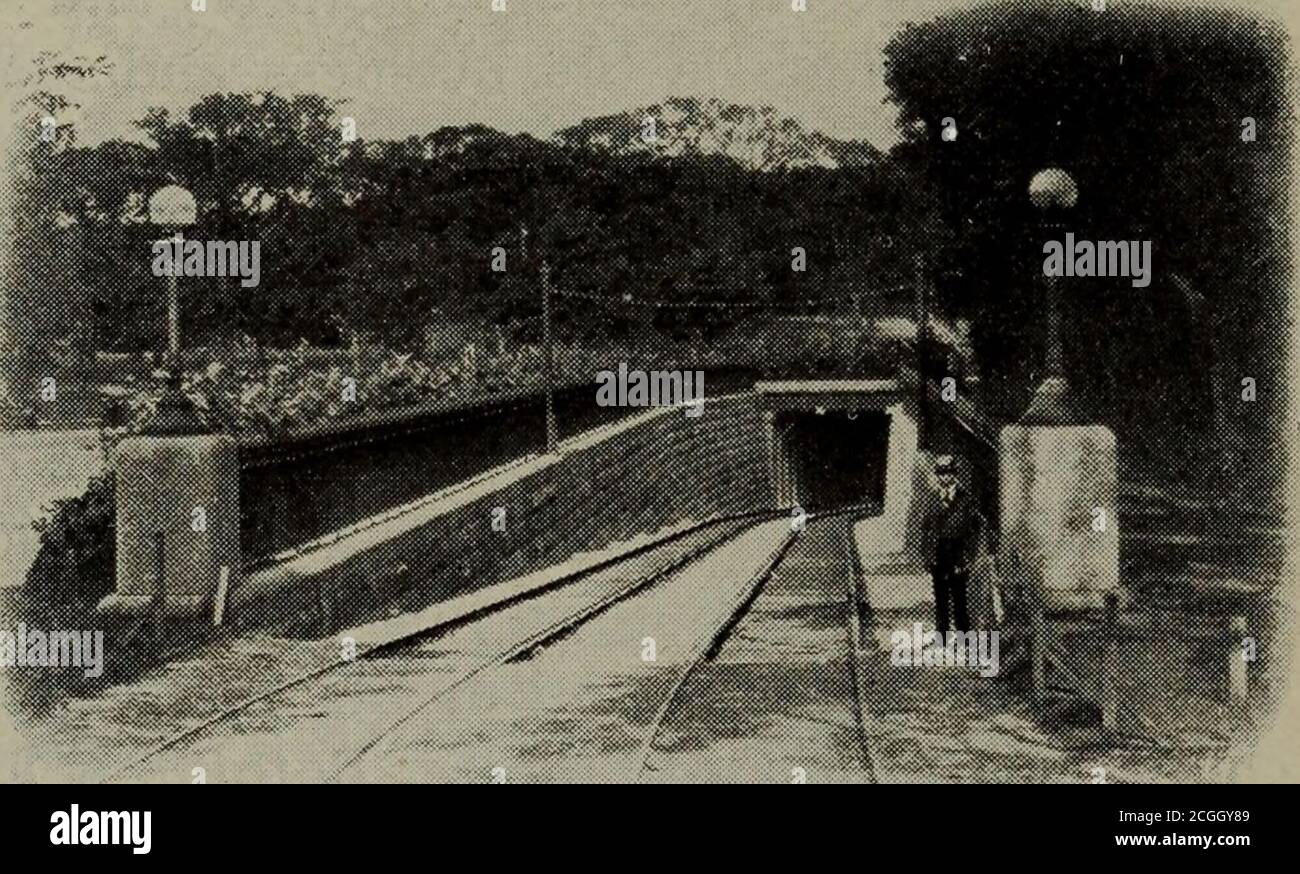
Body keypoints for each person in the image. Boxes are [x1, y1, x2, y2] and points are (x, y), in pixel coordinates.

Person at [921, 454, 982, 634]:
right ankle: (942, 639)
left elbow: (973, 532)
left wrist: (967, 558)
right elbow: (925, 529)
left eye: (947, 473)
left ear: (955, 474)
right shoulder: (932, 498)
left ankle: (964, 640)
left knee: (959, 599)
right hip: (938, 555)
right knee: (940, 599)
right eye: (940, 473)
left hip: (957, 554)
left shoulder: (965, 499)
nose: (944, 477)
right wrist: (927, 556)